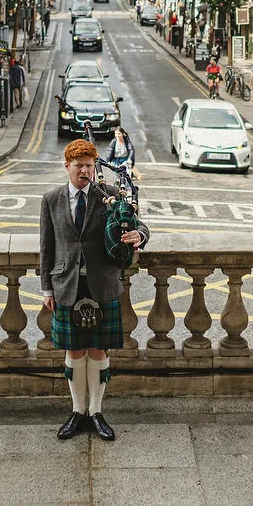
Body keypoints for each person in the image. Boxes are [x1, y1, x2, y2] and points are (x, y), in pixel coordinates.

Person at [40, 140, 150, 443]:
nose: (85, 171)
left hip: (102, 282)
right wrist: (46, 288)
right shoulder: (51, 200)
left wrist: (138, 235)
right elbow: (46, 248)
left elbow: (140, 225)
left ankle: (97, 412)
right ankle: (78, 412)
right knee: (74, 350)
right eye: (79, 166)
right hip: (67, 285)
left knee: (99, 350)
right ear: (67, 167)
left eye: (89, 165)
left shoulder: (110, 196)